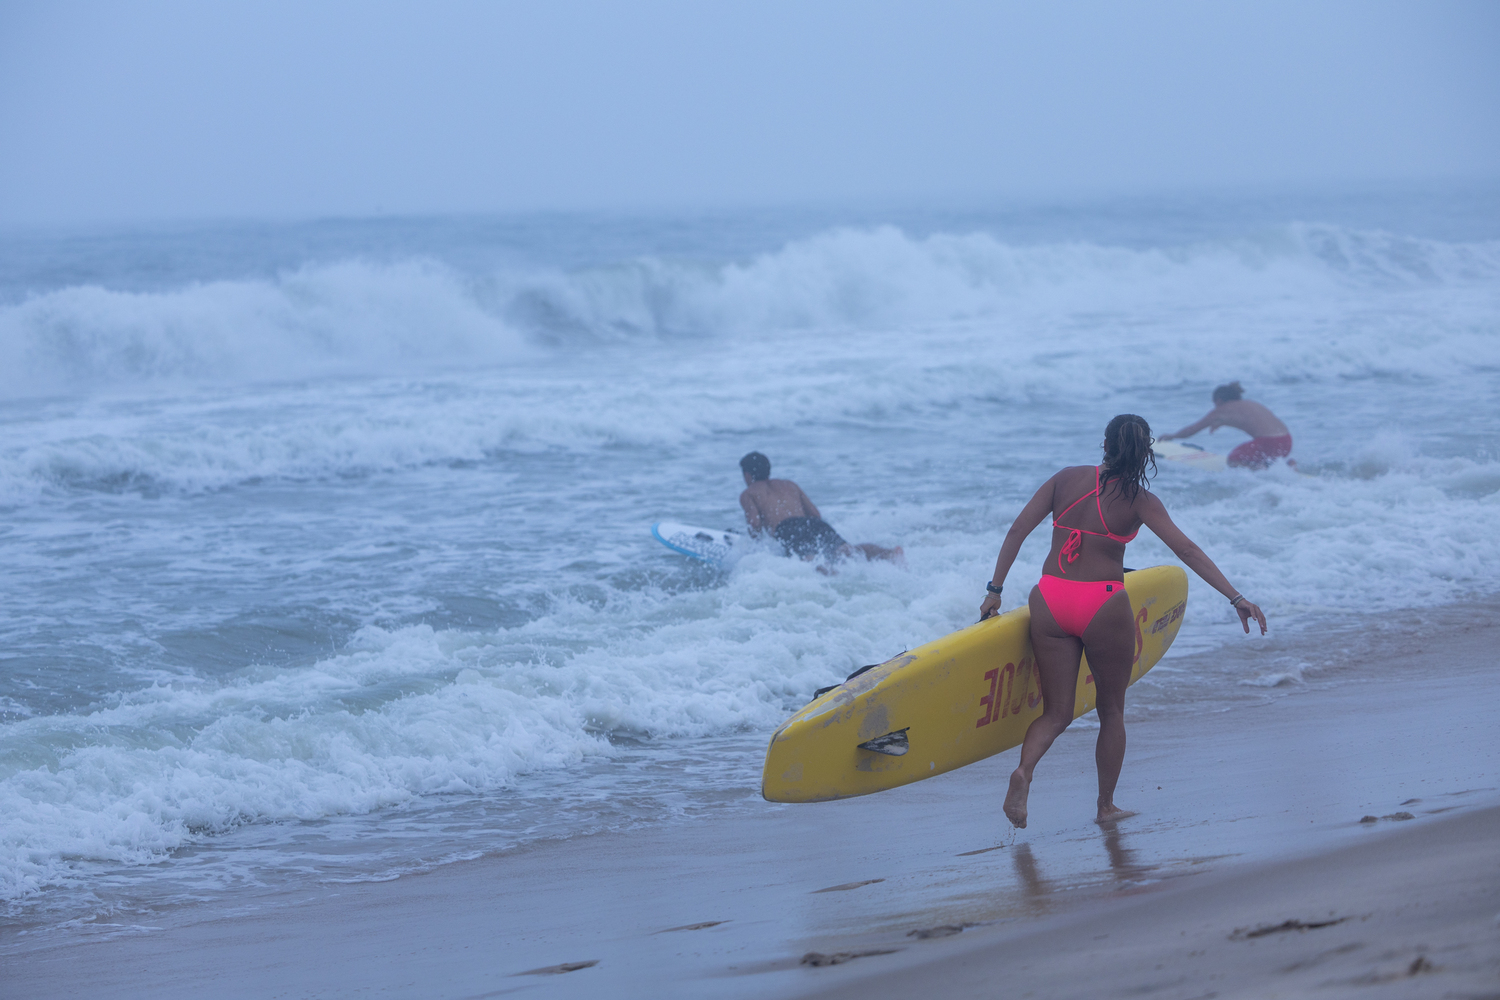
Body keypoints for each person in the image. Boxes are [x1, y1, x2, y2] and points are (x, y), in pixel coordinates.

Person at [978, 415, 1266, 829]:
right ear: (1144, 450)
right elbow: (1186, 549)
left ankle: (1024, 771)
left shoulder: (1065, 479)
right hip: (1102, 603)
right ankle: (1105, 806)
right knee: (1110, 711)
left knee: (1056, 712)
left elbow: (1017, 530)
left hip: (1050, 598)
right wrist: (1235, 596)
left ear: (1105, 445)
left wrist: (994, 591)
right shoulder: (1140, 500)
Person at [737, 452, 902, 563]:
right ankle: (889, 554)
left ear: (747, 475)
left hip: (787, 529)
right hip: (813, 524)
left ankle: (831, 574)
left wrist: (756, 547)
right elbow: (815, 513)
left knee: (809, 559)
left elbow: (754, 523)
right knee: (846, 550)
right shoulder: (789, 485)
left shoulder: (749, 493)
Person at [1158, 381, 1292, 469]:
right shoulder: (1250, 404)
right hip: (1286, 441)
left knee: (1234, 459)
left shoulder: (1222, 409)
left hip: (1268, 443)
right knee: (1257, 456)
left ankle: (1264, 473)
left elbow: (1193, 429)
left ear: (1219, 400)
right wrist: (1220, 423)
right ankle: (1287, 465)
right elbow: (1247, 420)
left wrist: (1173, 436)